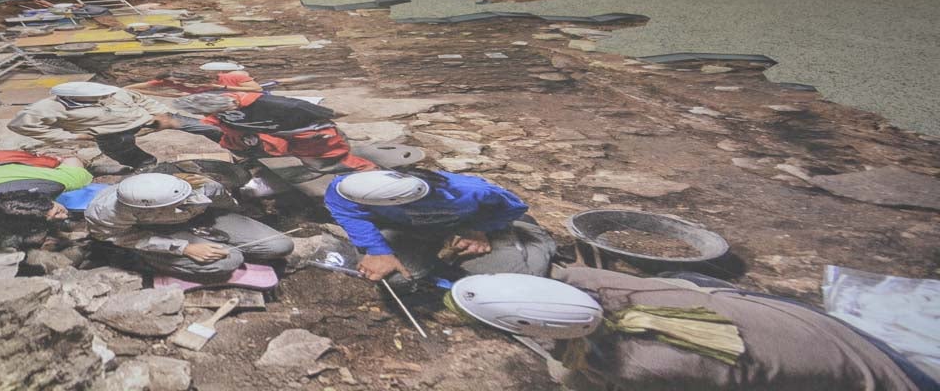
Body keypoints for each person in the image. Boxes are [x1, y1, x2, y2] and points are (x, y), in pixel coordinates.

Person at [448, 269, 936, 391]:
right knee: (700, 288)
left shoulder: (641, 364)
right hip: (811, 321)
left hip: (885, 376)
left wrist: (581, 374)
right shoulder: (598, 284)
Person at [324, 169, 556, 288]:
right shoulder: (347, 187)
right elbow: (345, 210)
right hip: (410, 230)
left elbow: (512, 206)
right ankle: (443, 263)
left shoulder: (465, 191)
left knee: (521, 280)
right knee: (399, 280)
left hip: (464, 225)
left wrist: (478, 229)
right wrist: (377, 249)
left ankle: (532, 235)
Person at [85, 171, 293, 280]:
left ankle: (214, 243)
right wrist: (185, 248)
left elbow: (226, 204)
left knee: (280, 246)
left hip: (201, 220)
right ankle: (147, 263)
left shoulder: (201, 187)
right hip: (152, 234)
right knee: (229, 261)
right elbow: (123, 238)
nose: (183, 203)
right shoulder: (106, 213)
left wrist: (239, 224)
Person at [7, 81, 179, 170]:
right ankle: (145, 164)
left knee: (192, 124)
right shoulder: (44, 109)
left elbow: (142, 99)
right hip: (109, 132)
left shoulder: (113, 93)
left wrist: (161, 113)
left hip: (141, 121)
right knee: (122, 148)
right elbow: (21, 126)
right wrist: (69, 137)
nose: (106, 96)